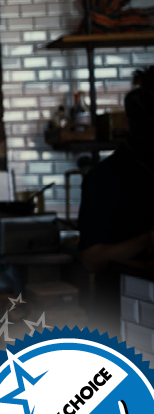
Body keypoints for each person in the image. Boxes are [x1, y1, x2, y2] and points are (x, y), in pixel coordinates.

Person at [78, 69, 154, 326]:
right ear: (128, 124)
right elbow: (91, 259)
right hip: (117, 316)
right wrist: (147, 239)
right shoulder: (105, 177)